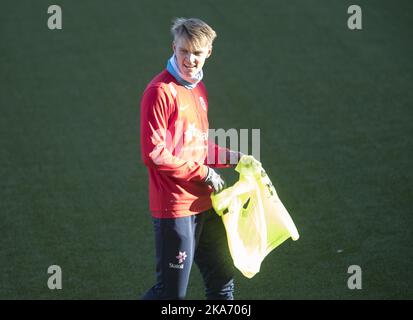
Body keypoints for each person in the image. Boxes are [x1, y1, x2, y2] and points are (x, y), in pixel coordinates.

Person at [139, 17, 242, 300]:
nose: (190, 59)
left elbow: (195, 145)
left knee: (223, 283)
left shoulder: (197, 88)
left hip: (206, 204)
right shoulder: (160, 92)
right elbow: (155, 154)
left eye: (197, 53)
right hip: (176, 208)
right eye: (184, 51)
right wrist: (205, 174)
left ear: (208, 52)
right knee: (170, 296)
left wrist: (236, 157)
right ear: (174, 47)